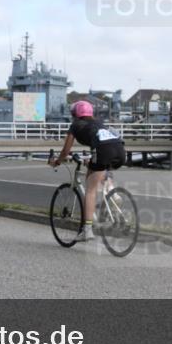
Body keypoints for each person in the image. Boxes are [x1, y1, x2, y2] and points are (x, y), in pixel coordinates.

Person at [49, 100, 126, 242]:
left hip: (103, 151)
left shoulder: (75, 125)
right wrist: (91, 160)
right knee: (101, 169)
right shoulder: (98, 123)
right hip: (120, 151)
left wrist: (57, 162)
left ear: (75, 114)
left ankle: (87, 230)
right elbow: (100, 144)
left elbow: (66, 150)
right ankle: (112, 193)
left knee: (90, 190)